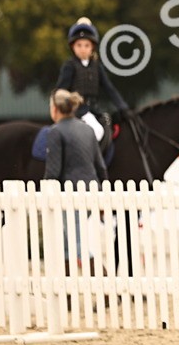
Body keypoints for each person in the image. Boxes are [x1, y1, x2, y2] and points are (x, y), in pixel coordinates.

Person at [43, 89, 107, 265]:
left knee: (75, 240)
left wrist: (44, 192)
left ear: (55, 108)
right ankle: (68, 287)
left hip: (71, 194)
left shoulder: (55, 131)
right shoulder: (87, 129)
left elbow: (53, 172)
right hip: (92, 190)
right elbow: (100, 166)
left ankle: (99, 272)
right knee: (67, 239)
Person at [55, 18, 131, 143]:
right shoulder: (70, 66)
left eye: (86, 45)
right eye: (79, 45)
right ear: (73, 47)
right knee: (97, 131)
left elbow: (109, 88)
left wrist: (123, 107)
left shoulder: (97, 66)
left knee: (108, 128)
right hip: (76, 111)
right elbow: (61, 91)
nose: (83, 49)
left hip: (95, 109)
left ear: (92, 47)